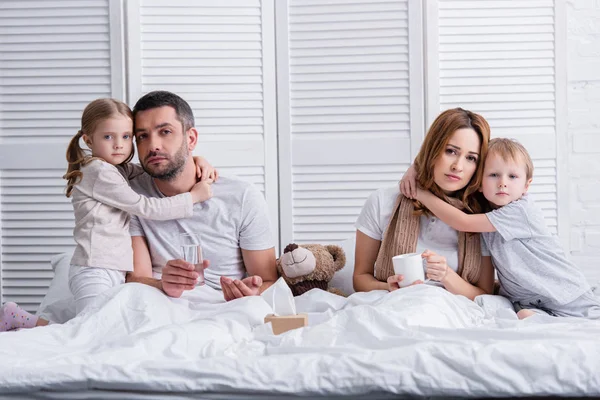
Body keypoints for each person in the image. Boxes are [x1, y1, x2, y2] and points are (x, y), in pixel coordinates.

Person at [0, 98, 216, 332]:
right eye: (108, 137)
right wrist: (194, 196)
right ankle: (20, 319)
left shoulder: (116, 169)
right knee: (93, 332)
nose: (118, 145)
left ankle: (23, 319)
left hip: (113, 270)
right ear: (88, 139)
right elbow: (147, 208)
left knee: (98, 328)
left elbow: (153, 169)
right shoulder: (98, 171)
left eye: (125, 137)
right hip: (94, 269)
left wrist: (195, 159)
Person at [411, 138, 600, 319]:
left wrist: (420, 193)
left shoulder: (521, 211)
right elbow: (486, 282)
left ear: (526, 185)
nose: (503, 182)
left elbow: (462, 222)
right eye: (493, 175)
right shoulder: (485, 222)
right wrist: (413, 170)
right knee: (524, 316)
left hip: (567, 294)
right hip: (531, 303)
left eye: (513, 176)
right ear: (479, 183)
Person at [125, 90, 278, 301]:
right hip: (161, 306)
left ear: (191, 139)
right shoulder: (132, 195)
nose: (153, 146)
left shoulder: (242, 196)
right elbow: (136, 279)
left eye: (165, 132)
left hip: (226, 307)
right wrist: (163, 284)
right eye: (142, 136)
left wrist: (251, 293)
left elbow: (269, 280)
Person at [353, 108, 495, 300]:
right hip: (395, 307)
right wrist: (388, 287)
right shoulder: (382, 201)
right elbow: (361, 278)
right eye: (450, 151)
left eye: (471, 158)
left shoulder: (482, 216)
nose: (458, 166)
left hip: (454, 313)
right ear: (433, 149)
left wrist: (447, 276)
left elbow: (485, 295)